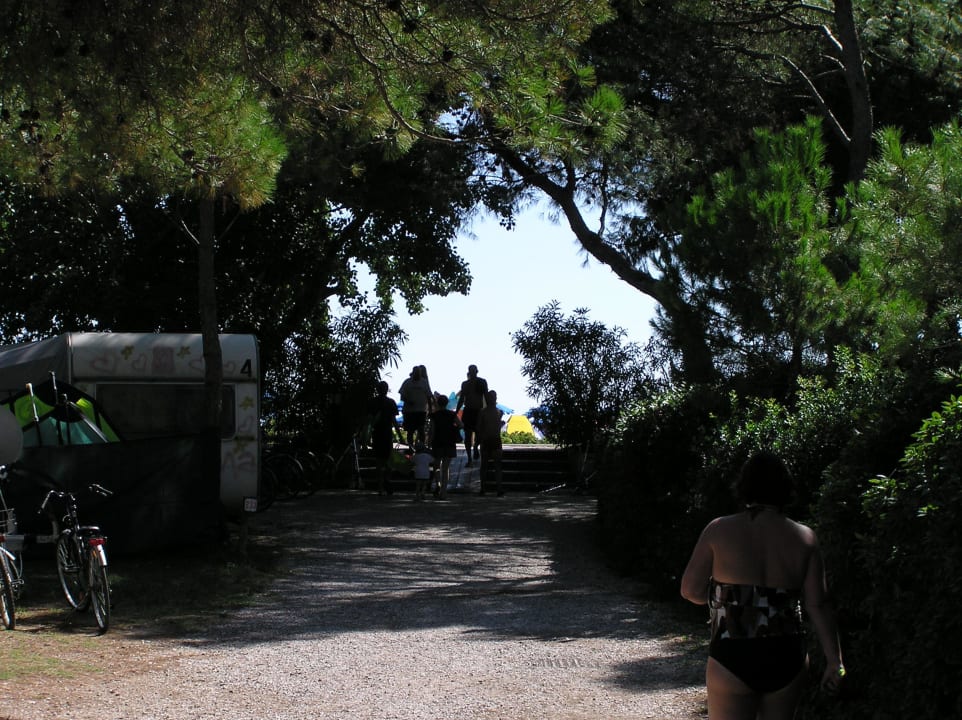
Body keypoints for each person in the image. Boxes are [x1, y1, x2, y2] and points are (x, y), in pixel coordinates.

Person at [680, 451, 845, 720]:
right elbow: (818, 604)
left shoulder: (718, 530)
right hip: (786, 656)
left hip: (732, 651)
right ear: (785, 488)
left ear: (744, 486)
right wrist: (835, 662)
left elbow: (690, 591)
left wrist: (724, 598)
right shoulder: (805, 538)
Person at [366, 380, 402, 496]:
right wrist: (400, 436)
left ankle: (380, 486)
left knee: (378, 461)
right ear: (386, 390)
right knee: (388, 460)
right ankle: (387, 480)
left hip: (377, 433)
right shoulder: (391, 402)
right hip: (387, 434)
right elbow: (394, 421)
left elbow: (369, 420)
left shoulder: (372, 402)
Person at [428, 394, 462, 500]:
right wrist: (453, 428)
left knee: (436, 465)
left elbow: (432, 430)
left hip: (437, 442)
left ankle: (438, 484)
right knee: (446, 468)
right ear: (447, 403)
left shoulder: (434, 415)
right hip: (449, 442)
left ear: (438, 403)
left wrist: (429, 442)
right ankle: (444, 492)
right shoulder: (451, 414)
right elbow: (461, 425)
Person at [456, 364, 487, 467]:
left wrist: (487, 409)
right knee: (468, 436)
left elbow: (486, 396)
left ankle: (475, 448)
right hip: (469, 410)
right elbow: (461, 399)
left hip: (477, 411)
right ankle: (470, 457)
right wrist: (456, 411)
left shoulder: (481, 382)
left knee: (479, 435)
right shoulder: (465, 384)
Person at [476, 389, 505, 496]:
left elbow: (479, 428)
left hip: (493, 440)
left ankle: (497, 488)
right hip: (488, 440)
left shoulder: (498, 412)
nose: (492, 399)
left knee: (494, 465)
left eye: (493, 397)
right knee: (485, 465)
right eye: (491, 397)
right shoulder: (485, 412)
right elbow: (479, 428)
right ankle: (484, 488)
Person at [399, 366, 432, 447]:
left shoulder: (424, 382)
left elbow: (429, 396)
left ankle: (422, 446)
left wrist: (430, 409)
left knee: (421, 430)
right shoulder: (407, 382)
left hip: (421, 411)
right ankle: (410, 447)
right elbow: (402, 397)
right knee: (410, 431)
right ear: (413, 373)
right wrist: (409, 401)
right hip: (409, 411)